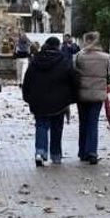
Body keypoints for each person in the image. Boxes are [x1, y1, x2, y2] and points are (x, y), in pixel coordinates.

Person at [22, 36, 77, 166]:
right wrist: (72, 97)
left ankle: (40, 152)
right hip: (59, 101)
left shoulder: (36, 60)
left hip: (39, 100)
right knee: (57, 127)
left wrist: (27, 96)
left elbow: (27, 79)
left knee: (41, 125)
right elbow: (73, 80)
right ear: (58, 46)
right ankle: (56, 155)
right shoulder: (64, 61)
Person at [73, 32, 110, 164]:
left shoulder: (79, 56)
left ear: (85, 41)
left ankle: (82, 152)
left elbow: (73, 72)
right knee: (93, 123)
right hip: (97, 96)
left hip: (82, 95)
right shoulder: (105, 57)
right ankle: (92, 152)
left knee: (83, 123)